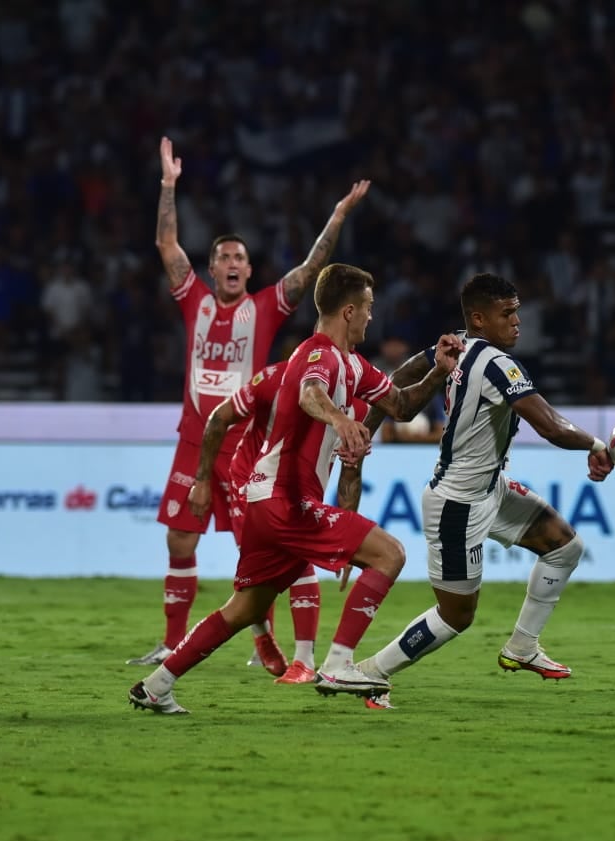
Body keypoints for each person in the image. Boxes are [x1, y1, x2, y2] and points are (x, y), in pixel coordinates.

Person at [129, 263, 463, 714]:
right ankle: (340, 663)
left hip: (268, 504)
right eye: (367, 308)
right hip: (285, 500)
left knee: (245, 608)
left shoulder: (354, 366)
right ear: (348, 311)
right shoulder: (317, 354)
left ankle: (157, 685)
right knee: (391, 554)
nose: (370, 317)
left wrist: (439, 370)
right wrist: (342, 419)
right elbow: (310, 394)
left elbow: (401, 406)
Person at [128, 136, 372, 666]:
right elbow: (168, 247)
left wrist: (336, 214)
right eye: (223, 258)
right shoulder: (195, 300)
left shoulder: (263, 307)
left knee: (265, 552)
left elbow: (311, 271)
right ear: (212, 270)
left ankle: (271, 641)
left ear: (248, 269)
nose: (233, 263)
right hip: (195, 439)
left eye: (240, 257)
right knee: (179, 543)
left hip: (248, 448)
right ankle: (173, 642)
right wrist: (169, 185)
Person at [339, 273, 613, 710]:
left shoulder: (458, 344)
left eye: (518, 310)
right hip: (457, 504)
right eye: (508, 314)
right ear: (480, 319)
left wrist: (368, 427)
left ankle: (522, 647)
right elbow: (548, 425)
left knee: (564, 547)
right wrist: (598, 445)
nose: (518, 321)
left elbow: (408, 370)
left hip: (491, 489)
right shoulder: (499, 365)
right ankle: (368, 673)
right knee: (456, 617)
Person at [185, 360, 340, 684]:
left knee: (300, 562)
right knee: (256, 572)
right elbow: (219, 418)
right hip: (249, 482)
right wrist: (202, 482)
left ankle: (303, 662)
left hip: (296, 484)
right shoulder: (269, 381)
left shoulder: (345, 382)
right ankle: (263, 636)